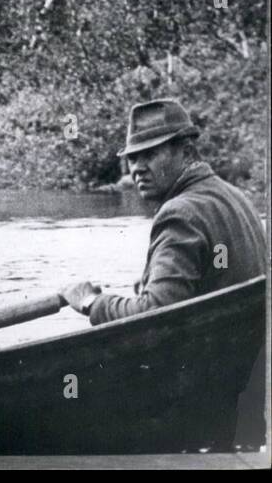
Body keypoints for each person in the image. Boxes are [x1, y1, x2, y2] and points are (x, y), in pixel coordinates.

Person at [60, 99, 268, 324]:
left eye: (149, 155)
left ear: (187, 153)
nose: (137, 168)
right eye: (132, 158)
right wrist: (159, 282)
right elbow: (220, 268)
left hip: (209, 351)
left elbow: (154, 313)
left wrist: (91, 302)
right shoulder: (235, 196)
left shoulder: (180, 214)